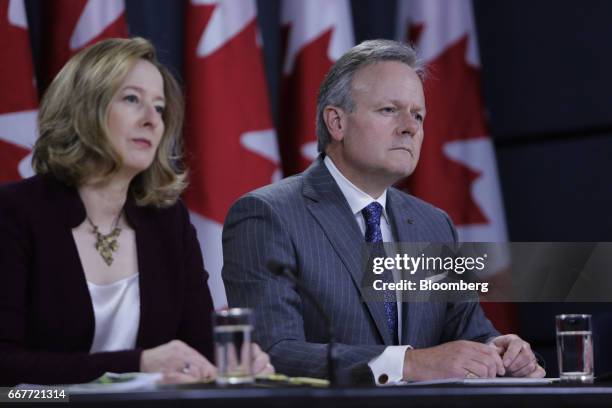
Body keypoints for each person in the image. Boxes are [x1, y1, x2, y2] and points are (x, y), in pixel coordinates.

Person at [222, 39, 545, 385]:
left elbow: (467, 329)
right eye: (389, 110)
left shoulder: (433, 225)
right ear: (336, 122)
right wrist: (407, 364)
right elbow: (273, 352)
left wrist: (498, 350)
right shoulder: (267, 215)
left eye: (418, 114)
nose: (411, 127)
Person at [0, 37, 273, 386]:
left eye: (159, 108)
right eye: (132, 100)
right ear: (85, 108)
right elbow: (5, 368)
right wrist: (138, 363)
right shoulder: (14, 214)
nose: (152, 120)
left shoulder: (167, 221)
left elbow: (199, 348)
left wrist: (235, 359)